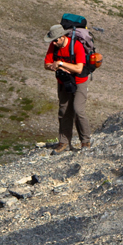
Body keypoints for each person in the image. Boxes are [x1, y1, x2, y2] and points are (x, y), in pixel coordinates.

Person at [43, 19, 91, 151]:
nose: (53, 43)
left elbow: (79, 69)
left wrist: (61, 64)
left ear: (63, 37)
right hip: (63, 82)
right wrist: (54, 67)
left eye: (56, 40)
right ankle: (64, 143)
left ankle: (85, 142)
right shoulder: (54, 46)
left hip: (79, 81)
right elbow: (46, 64)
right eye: (52, 40)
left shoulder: (76, 46)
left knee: (78, 110)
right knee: (64, 111)